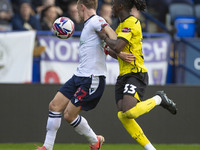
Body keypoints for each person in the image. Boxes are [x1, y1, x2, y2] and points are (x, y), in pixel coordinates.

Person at [35, 0, 131, 150]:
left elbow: (112, 34)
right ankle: (47, 147)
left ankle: (95, 141)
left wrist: (119, 49)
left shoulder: (96, 20)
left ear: (82, 7)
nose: (77, 13)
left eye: (78, 9)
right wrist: (116, 53)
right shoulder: (90, 26)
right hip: (79, 76)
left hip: (92, 79)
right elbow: (105, 46)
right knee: (54, 106)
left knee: (69, 115)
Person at [97, 0, 178, 150]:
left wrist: (104, 38)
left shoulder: (132, 22)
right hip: (123, 75)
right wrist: (111, 50)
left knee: (129, 111)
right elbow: (118, 52)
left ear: (120, 6)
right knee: (122, 114)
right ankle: (150, 148)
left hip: (136, 73)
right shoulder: (121, 25)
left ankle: (159, 98)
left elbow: (118, 46)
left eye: (114, 4)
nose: (112, 8)